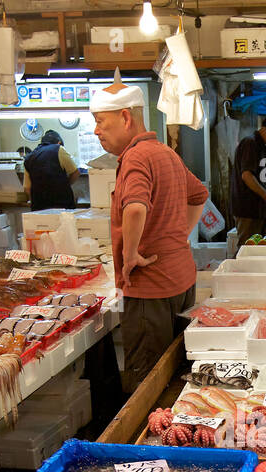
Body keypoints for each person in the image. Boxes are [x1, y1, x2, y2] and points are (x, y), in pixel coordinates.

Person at [91, 81, 208, 392]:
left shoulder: (136, 157)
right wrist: (179, 235)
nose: (96, 131)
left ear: (125, 117)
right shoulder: (164, 152)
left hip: (150, 291)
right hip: (180, 282)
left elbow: (135, 207)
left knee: (145, 385)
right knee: (173, 373)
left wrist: (130, 255)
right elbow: (199, 194)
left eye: (100, 121)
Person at [231, 113, 266, 248]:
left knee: (259, 248)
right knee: (247, 249)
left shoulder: (260, 146)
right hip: (247, 209)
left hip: (257, 210)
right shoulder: (251, 143)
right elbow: (247, 175)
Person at [23, 129, 80, 210]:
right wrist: (66, 185)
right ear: (59, 142)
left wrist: (34, 201)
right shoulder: (59, 149)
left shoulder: (29, 158)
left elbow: (27, 188)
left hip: (39, 207)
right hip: (62, 205)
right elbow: (75, 173)